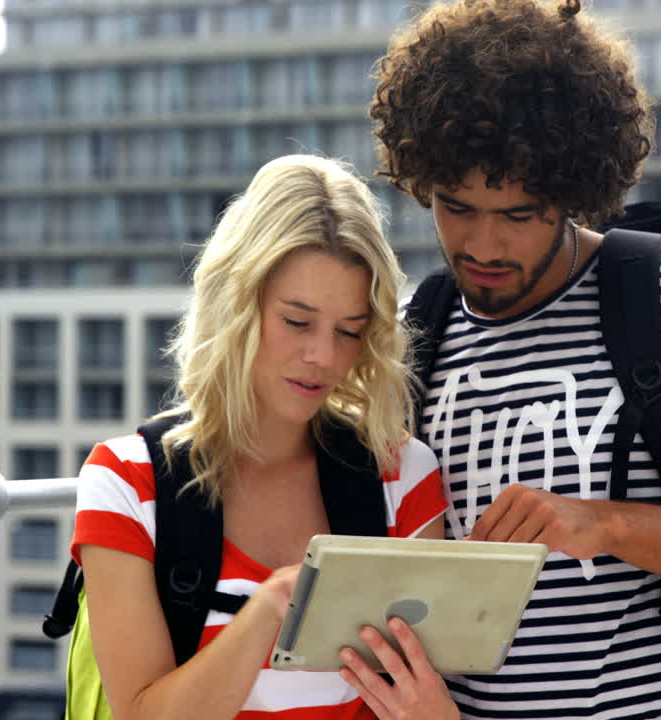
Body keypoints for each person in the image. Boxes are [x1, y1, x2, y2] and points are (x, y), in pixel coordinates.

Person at [369, 1, 661, 717]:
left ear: (573, 192)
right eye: (455, 207)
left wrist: (606, 525)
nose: (484, 245)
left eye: (518, 214)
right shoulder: (419, 333)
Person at [71, 155, 460, 720]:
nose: (322, 356)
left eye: (349, 331)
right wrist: (270, 608)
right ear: (235, 304)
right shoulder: (126, 481)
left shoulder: (400, 476)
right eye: (297, 322)